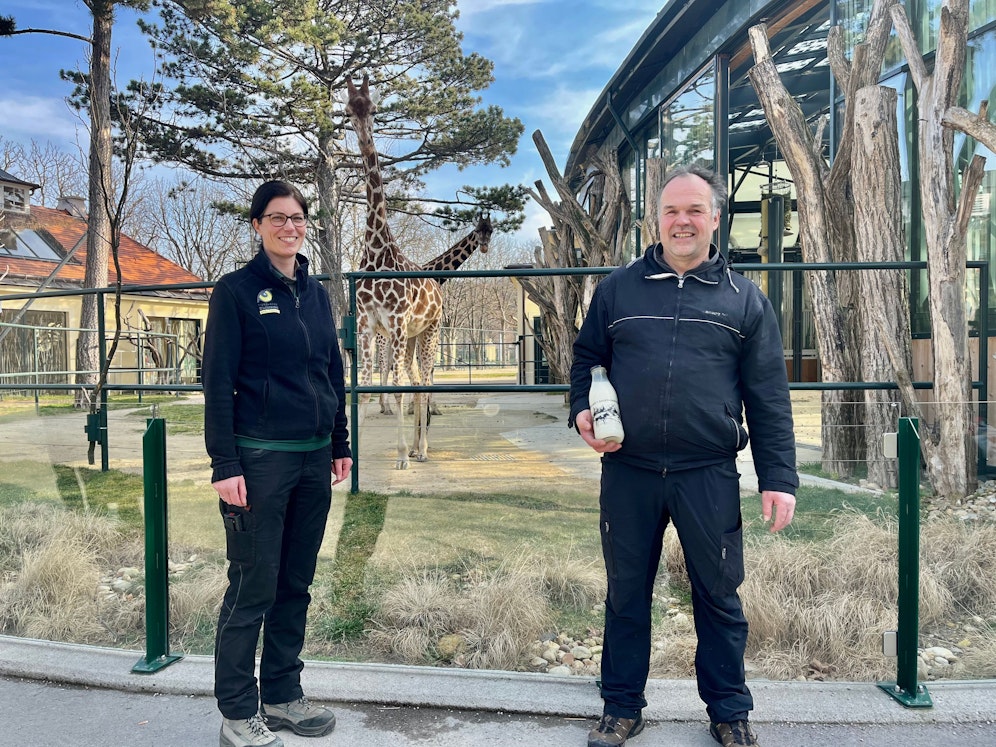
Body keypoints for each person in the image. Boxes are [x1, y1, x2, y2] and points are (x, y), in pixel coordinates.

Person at [569, 164, 798, 747]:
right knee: (626, 594)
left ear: (715, 218)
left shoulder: (745, 301)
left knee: (719, 596)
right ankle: (621, 707)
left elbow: (769, 397)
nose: (682, 221)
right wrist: (581, 411)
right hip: (629, 470)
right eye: (671, 210)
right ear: (657, 219)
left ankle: (729, 712)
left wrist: (778, 477)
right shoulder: (618, 290)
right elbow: (586, 360)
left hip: (707, 474)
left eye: (695, 210)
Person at [203, 180, 353, 747]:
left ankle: (283, 695)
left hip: (314, 460)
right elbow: (217, 382)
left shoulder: (316, 294)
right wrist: (225, 463)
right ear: (257, 225)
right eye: (277, 218)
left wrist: (338, 441)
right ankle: (237, 712)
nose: (289, 227)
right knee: (253, 586)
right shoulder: (235, 292)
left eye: (297, 218)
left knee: (295, 583)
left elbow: (331, 372)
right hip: (259, 461)